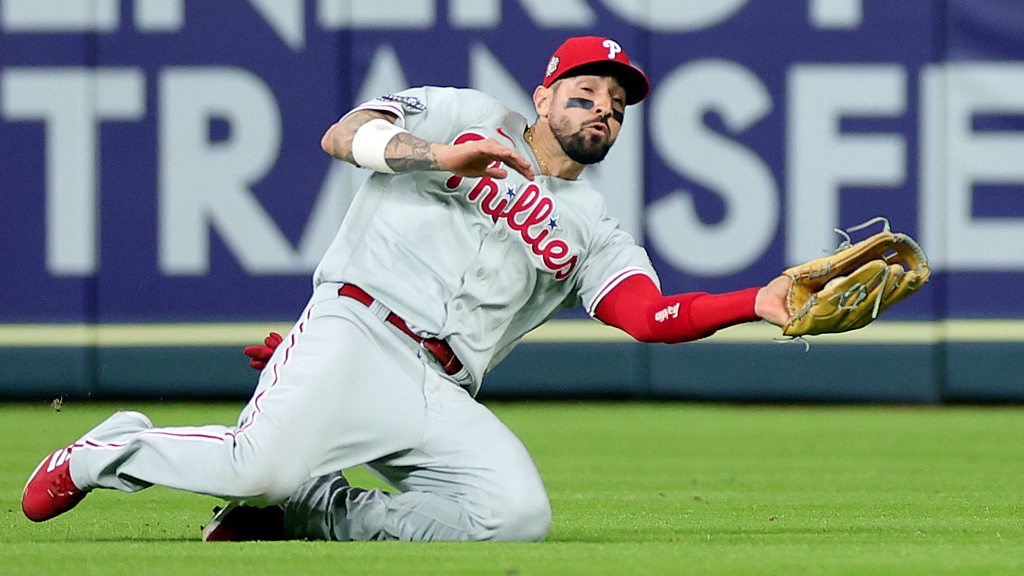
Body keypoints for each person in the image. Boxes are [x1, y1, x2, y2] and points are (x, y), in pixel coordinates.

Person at [22, 36, 792, 542]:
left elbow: (650, 317)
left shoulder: (596, 227)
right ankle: (108, 450)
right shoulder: (466, 115)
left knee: (514, 518)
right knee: (255, 469)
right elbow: (341, 135)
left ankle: (315, 513)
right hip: (355, 330)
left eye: (616, 108)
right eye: (587, 93)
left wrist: (755, 302)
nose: (603, 111)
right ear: (545, 94)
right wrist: (434, 154)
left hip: (438, 386)